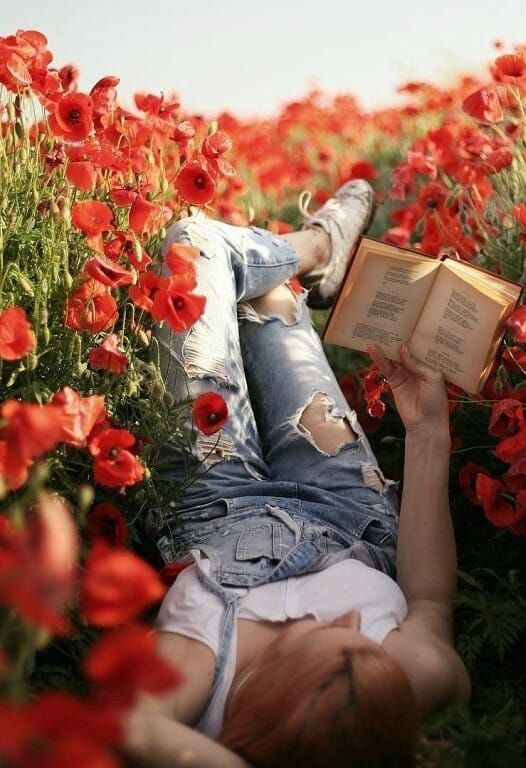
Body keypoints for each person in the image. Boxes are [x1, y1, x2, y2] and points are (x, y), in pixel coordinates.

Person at [122, 180, 472, 768]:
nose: (357, 619)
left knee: (193, 247)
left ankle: (314, 245)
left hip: (211, 494)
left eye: (328, 635)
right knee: (266, 298)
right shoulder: (415, 676)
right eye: (365, 641)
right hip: (346, 505)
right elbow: (430, 599)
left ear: (265, 693)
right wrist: (427, 430)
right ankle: (310, 255)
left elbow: (134, 730)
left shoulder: (201, 673)